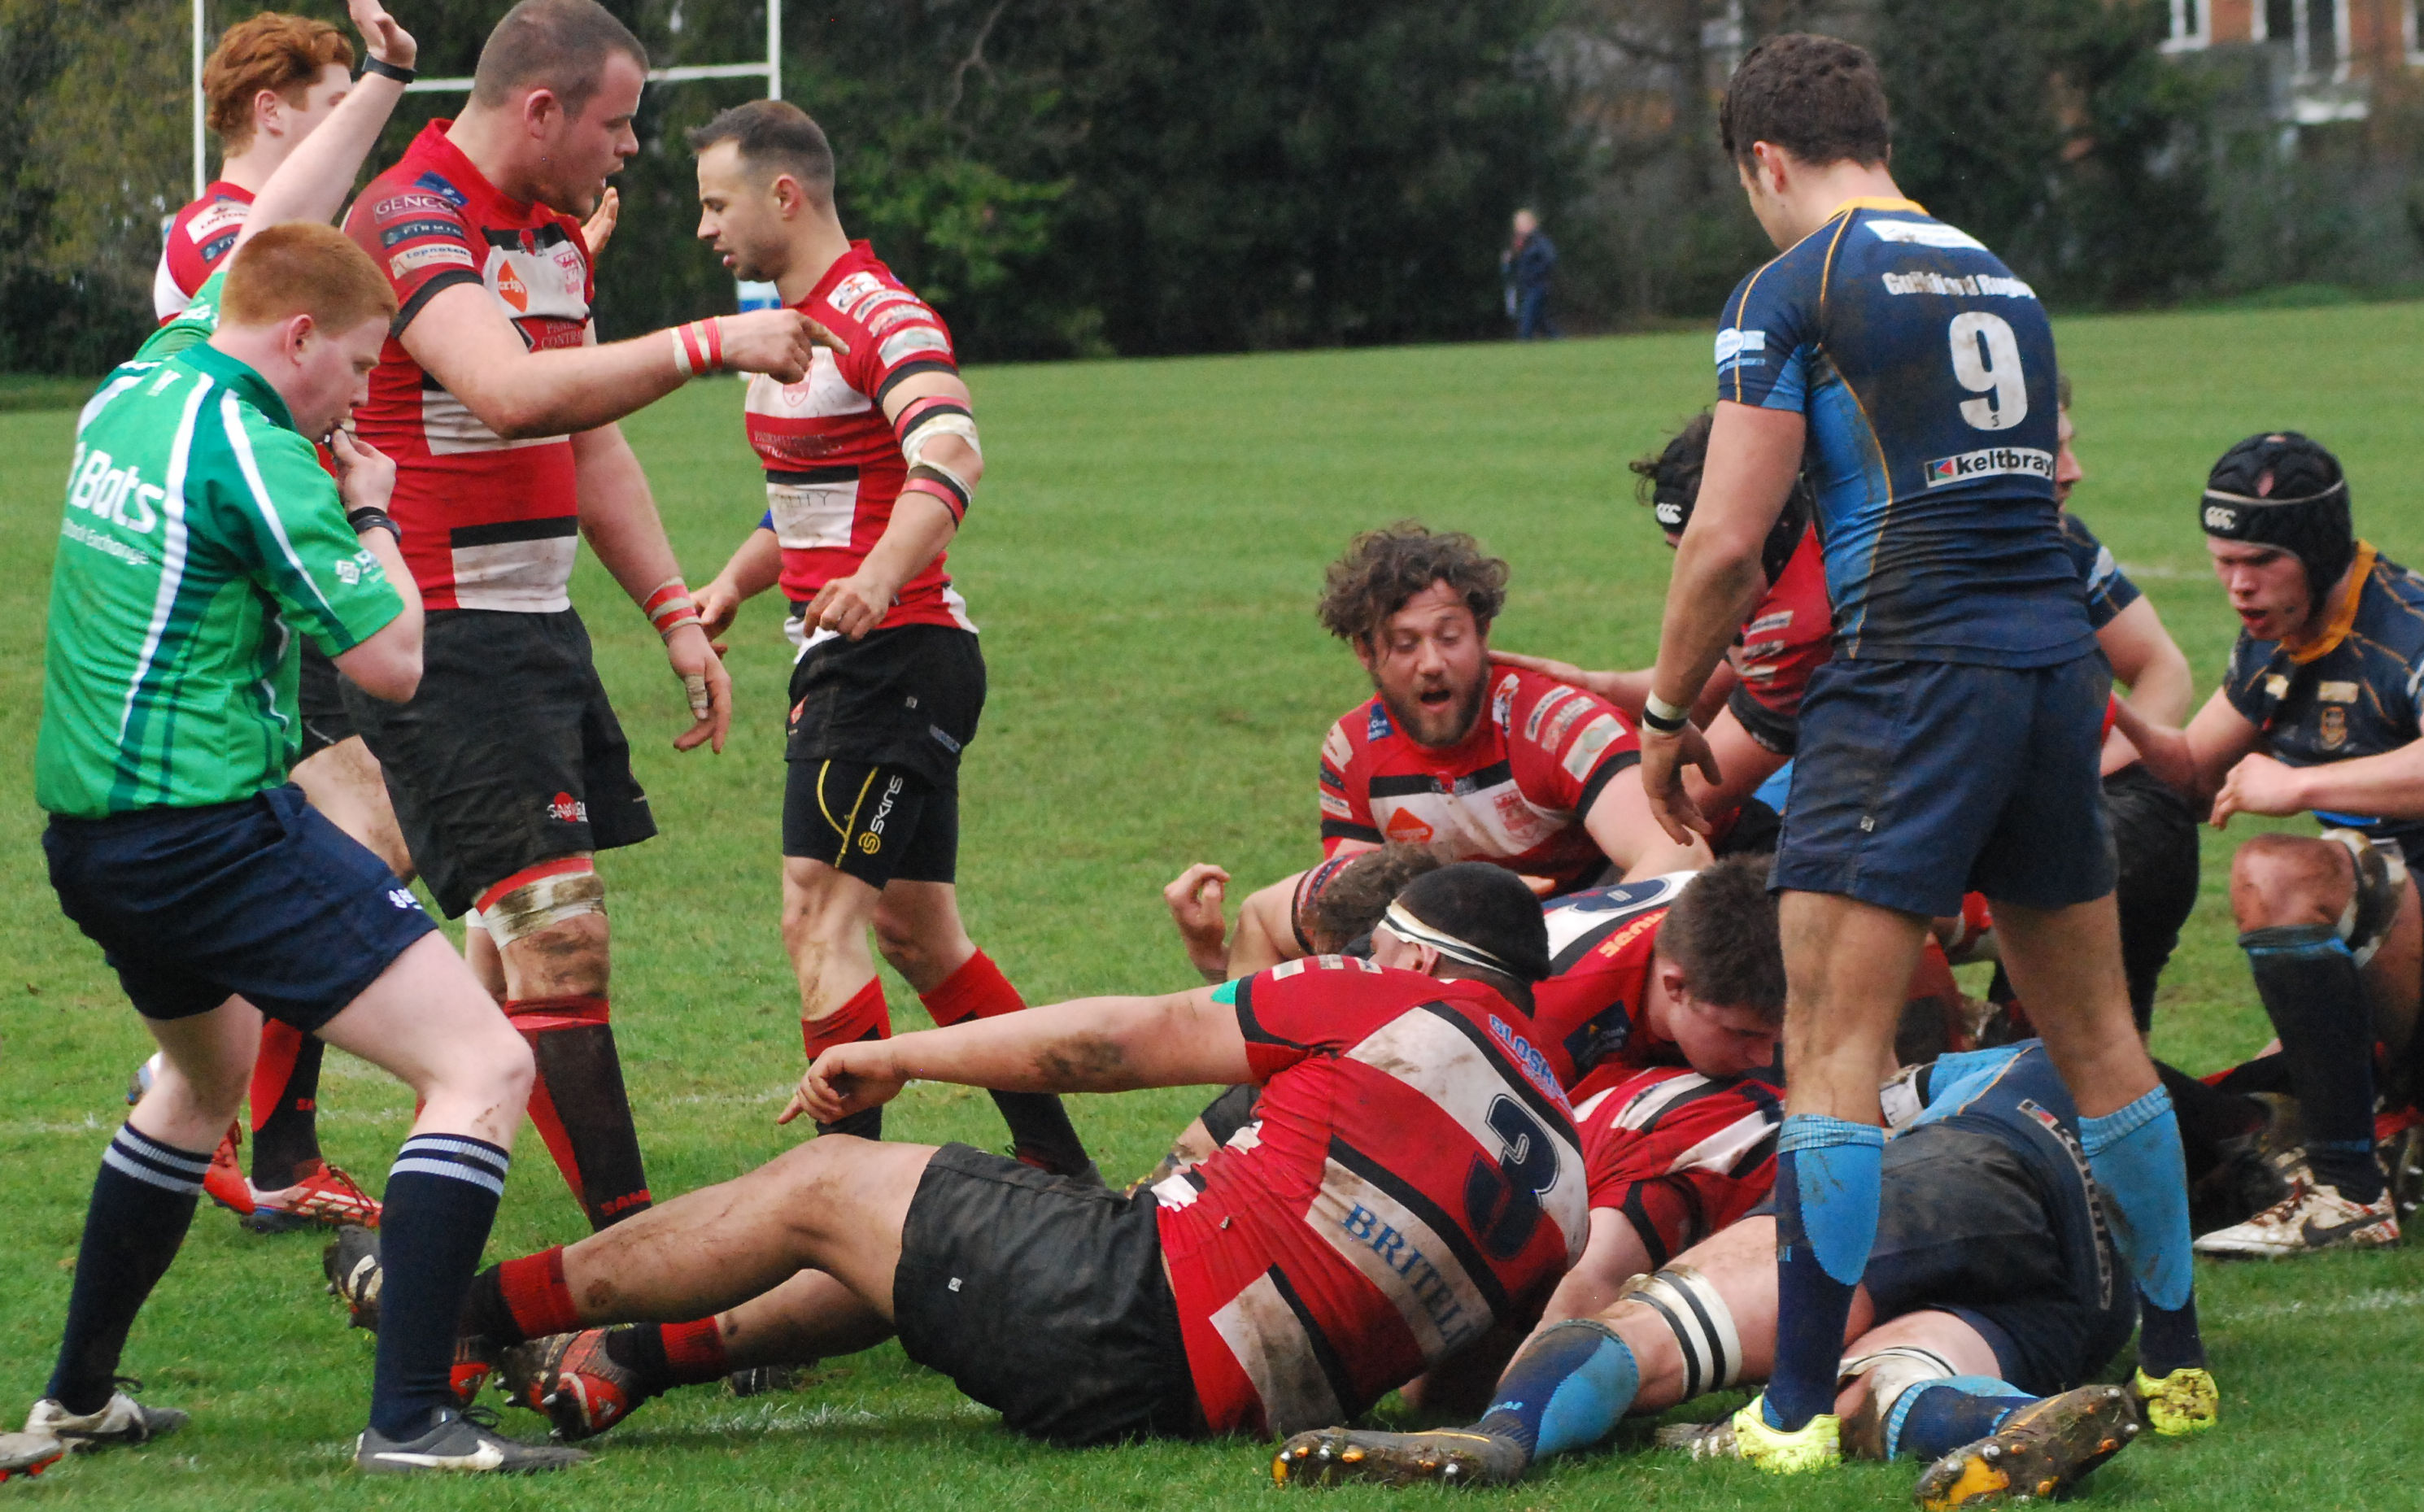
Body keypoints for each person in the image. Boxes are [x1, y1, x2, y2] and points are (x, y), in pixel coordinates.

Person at [1629, 34, 2208, 1468]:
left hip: (1907, 679)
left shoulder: (1794, 286)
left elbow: (1726, 540)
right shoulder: (2001, 274)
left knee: (1830, 1045)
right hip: (2051, 673)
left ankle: (1788, 1414)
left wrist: (1666, 710)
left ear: (1765, 161)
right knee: (2099, 1038)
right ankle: (2179, 1362)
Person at [329, 865, 1590, 1449]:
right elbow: (1447, 1388)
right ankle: (625, 1362)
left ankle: (461, 1309)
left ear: (1413, 957)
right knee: (919, 1235)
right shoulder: (1568, 1184)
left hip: (1134, 1316)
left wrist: (904, 1056)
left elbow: (1117, 1040)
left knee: (827, 1184)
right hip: (1218, 1394)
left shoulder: (1395, 999)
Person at [24, 222, 578, 1474]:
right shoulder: (261, 450)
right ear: (295, 338)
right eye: (361, 363)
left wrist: (363, 108)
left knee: (200, 1078)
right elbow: (393, 659)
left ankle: (76, 1401)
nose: (363, 394)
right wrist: (371, 510)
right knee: (483, 1064)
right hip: (207, 833)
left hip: (93, 840)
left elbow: (273, 231)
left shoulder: (140, 382)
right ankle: (412, 1421)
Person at [337, 0, 817, 1234]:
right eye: (617, 121)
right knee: (560, 941)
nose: (632, 147)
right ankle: (638, 1248)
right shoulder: (409, 214)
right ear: (542, 109)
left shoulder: (553, 236)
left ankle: (429, 1226)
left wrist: (672, 612)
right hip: (442, 633)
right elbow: (507, 392)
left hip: (536, 625)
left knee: (510, 951)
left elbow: (588, 440)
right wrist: (711, 342)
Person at [682, 101, 1090, 1176]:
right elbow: (811, 503)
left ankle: (840, 1206)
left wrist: (876, 575)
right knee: (918, 935)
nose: (704, 228)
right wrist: (733, 581)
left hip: (891, 657)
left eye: (717, 204)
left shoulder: (879, 313)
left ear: (784, 195)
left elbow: (950, 451)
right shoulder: (787, 326)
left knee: (815, 917)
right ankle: (1061, 1172)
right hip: (872, 652)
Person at [1274, 1040, 2143, 1510]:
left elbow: (1855, 1110)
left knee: (1655, 1326)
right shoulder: (2137, 1098)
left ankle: (1501, 1435)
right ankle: (2011, 1420)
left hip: (1971, 1173)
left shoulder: (2013, 1060)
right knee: (1881, 1390)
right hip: (2097, 1302)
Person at [133, 0, 456, 1235]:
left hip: (293, 572)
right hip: (277, 577)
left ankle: (251, 1121)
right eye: (327, 114)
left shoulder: (264, 238)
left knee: (364, 841)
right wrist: (385, 76)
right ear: (272, 114)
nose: (344, 142)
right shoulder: (228, 232)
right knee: (343, 848)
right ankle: (236, 1116)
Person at [2117, 431, 2424, 1257]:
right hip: (2400, 969)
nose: (2238, 583)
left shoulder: (2407, 625)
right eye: (2223, 561)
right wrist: (2105, 712)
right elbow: (2191, 772)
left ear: (2317, 554)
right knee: (2266, 1097)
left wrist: (2300, 785)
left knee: (2278, 872)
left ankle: (2349, 1195)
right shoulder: (2276, 640)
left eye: (2260, 560)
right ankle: (2370, 1141)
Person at [1165, 523, 1708, 982]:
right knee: (1268, 917)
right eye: (1405, 644)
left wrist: (1537, 942)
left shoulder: (1555, 723)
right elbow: (1353, 922)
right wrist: (1219, 960)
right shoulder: (1353, 750)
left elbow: (1681, 859)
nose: (1431, 663)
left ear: (1483, 633)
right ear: (1365, 651)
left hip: (1586, 956)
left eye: (1449, 637)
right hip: (1453, 955)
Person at [155, 12, 355, 323]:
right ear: (270, 111)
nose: (354, 122)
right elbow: (285, 316)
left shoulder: (296, 229)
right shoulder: (211, 227)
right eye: (338, 105)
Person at [1502, 210, 1558, 341]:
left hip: (1539, 286)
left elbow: (1551, 260)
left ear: (1532, 224)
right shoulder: (1520, 244)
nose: (1519, 228)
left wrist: (1535, 274)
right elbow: (1518, 265)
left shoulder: (1540, 241)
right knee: (1541, 322)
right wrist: (1509, 261)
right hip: (1526, 288)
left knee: (1526, 322)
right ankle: (1559, 340)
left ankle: (1524, 341)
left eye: (1522, 224)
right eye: (1517, 225)